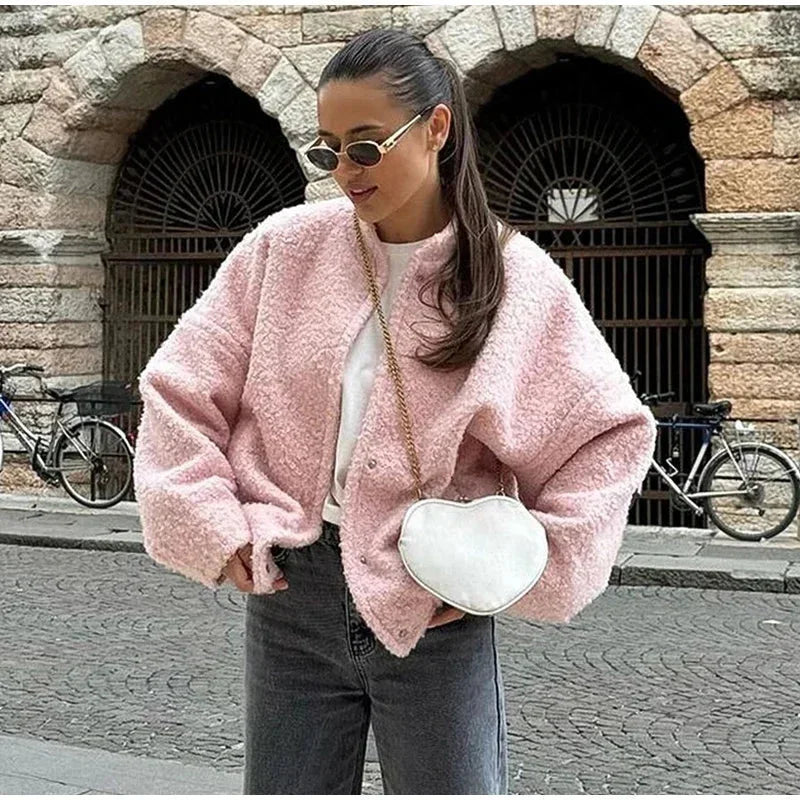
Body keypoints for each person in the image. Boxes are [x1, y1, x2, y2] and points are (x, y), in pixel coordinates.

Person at [132, 28, 657, 795]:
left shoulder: (513, 277)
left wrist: (512, 569)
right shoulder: (284, 249)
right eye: (328, 150)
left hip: (432, 597)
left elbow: (606, 438)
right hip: (291, 597)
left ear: (437, 128)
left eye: (367, 147)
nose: (344, 171)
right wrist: (216, 525)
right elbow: (180, 389)